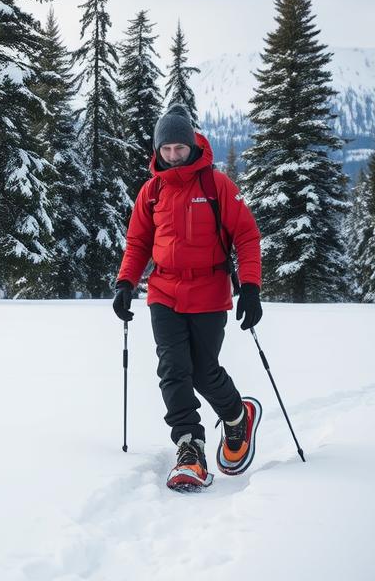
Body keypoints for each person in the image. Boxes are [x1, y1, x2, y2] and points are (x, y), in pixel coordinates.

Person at [112, 104, 264, 492]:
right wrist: (125, 283)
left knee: (202, 370)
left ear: (193, 145)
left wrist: (250, 287)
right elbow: (138, 242)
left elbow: (246, 236)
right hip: (163, 291)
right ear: (158, 150)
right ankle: (189, 446)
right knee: (173, 368)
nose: (174, 156)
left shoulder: (217, 186)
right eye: (167, 149)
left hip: (210, 292)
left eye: (180, 148)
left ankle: (235, 415)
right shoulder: (152, 191)